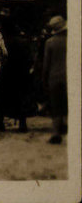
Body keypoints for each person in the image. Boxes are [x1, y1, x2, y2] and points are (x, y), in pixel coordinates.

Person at [0, 22, 33, 132]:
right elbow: (29, 58)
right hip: (21, 73)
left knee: (2, 97)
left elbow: (0, 56)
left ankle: (0, 122)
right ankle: (22, 123)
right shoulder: (24, 42)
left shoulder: (4, 41)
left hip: (6, 72)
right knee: (20, 97)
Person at [42, 16, 67, 144]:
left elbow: (46, 63)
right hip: (69, 76)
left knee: (56, 105)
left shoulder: (50, 42)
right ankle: (66, 125)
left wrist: (44, 79)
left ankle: (56, 132)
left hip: (54, 77)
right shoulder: (73, 41)